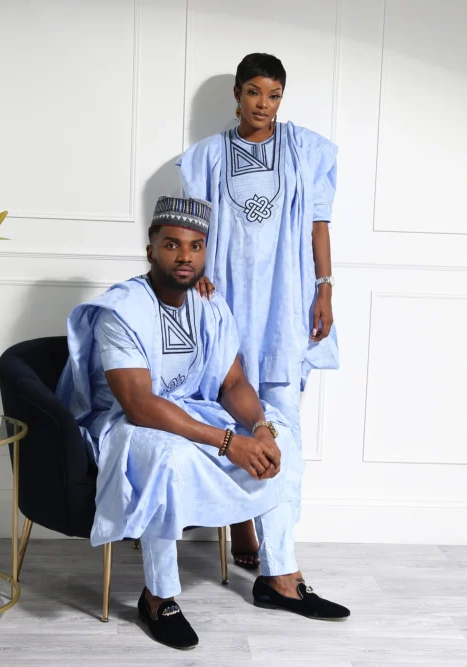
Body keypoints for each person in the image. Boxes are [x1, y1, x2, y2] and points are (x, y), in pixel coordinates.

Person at [57, 196, 350, 650]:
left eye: (195, 246)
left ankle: (280, 578)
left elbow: (233, 383)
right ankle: (158, 598)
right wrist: (228, 442)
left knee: (283, 435)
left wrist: (260, 428)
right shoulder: (121, 310)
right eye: (172, 244)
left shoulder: (210, 305)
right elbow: (138, 404)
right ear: (150, 250)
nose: (185, 256)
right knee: (168, 456)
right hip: (126, 425)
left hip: (191, 412)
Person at [177, 53, 338, 571]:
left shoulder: (306, 150)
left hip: (285, 302)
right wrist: (197, 274)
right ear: (237, 95)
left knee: (282, 417)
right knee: (230, 406)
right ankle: (242, 521)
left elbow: (318, 224)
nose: (263, 105)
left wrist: (325, 289)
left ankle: (280, 555)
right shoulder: (206, 157)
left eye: (274, 95)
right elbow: (191, 232)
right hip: (227, 300)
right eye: (253, 92)